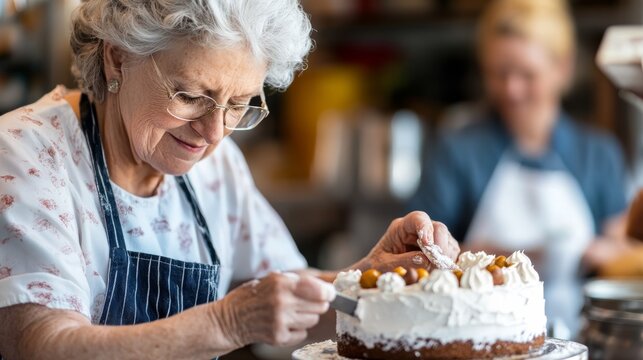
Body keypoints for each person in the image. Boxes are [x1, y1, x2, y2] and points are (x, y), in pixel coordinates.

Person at [0, 1, 460, 358]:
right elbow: (42, 346)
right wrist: (227, 324)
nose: (215, 132)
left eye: (240, 103)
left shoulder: (214, 169)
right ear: (118, 58)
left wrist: (368, 280)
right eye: (191, 95)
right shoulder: (27, 154)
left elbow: (288, 305)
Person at [409, 0, 627, 337]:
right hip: (474, 334)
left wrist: (591, 253)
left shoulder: (598, 154)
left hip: (578, 336)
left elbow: (621, 253)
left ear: (563, 68)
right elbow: (421, 252)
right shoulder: (459, 148)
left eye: (527, 74)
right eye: (499, 74)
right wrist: (513, 258)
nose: (511, 90)